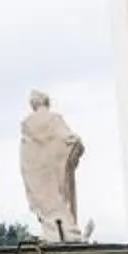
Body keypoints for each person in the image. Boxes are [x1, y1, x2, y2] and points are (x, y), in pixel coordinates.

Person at [20, 90, 87, 244]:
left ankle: (57, 232)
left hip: (38, 170)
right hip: (55, 167)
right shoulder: (55, 119)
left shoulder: (28, 123)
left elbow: (26, 152)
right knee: (59, 197)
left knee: (45, 200)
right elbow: (68, 137)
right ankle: (62, 231)